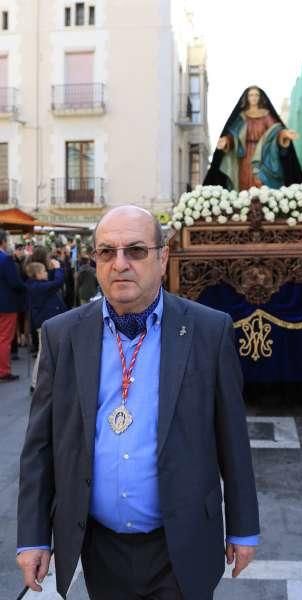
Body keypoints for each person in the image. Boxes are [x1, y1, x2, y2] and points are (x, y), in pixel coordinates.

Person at [17, 205, 260, 600]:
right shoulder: (62, 335)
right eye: (107, 252)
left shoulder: (207, 330)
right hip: (99, 546)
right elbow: (40, 446)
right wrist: (32, 538)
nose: (120, 264)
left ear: (163, 258)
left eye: (136, 251)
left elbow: (231, 437)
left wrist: (244, 526)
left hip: (180, 543)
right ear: (94, 260)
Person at [203, 85, 302, 191]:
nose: (254, 97)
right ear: (247, 98)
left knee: (262, 184)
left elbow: (276, 131)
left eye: (256, 95)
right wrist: (226, 141)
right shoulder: (242, 116)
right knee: (244, 185)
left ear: (260, 97)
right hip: (245, 156)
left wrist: (285, 135)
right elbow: (234, 135)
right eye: (251, 95)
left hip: (263, 155)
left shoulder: (266, 115)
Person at [25, 259, 66, 391]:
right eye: (43, 271)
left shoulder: (38, 285)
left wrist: (54, 270)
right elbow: (57, 283)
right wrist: (58, 268)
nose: (46, 273)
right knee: (43, 353)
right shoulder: (38, 287)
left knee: (46, 352)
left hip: (46, 322)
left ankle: (40, 381)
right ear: (36, 274)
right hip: (44, 323)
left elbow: (52, 283)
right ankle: (35, 382)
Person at [0, 229, 25, 382]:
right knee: (4, 338)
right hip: (6, 304)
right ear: (3, 241)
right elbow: (15, 283)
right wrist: (27, 286)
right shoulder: (5, 259)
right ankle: (3, 371)